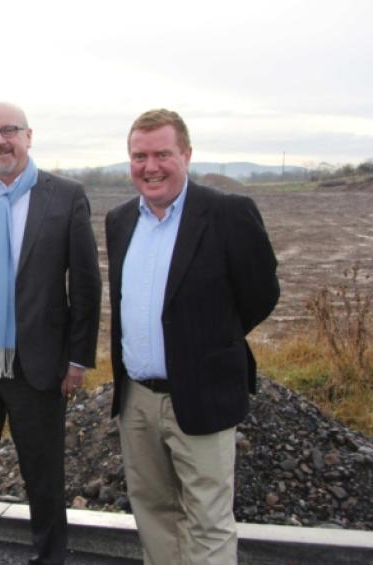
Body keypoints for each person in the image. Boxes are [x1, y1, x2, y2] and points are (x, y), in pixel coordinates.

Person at [105, 109, 280, 565]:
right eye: (139, 157)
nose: (150, 167)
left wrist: (207, 342)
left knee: (208, 521)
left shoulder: (228, 214)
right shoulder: (120, 221)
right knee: (154, 513)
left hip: (203, 393)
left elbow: (261, 294)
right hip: (137, 401)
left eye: (162, 154)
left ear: (186, 154)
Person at [0, 102, 102, 565]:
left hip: (37, 362)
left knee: (43, 474)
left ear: (29, 135)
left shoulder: (65, 196)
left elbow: (85, 284)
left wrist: (78, 357)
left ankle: (49, 558)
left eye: (9, 130)